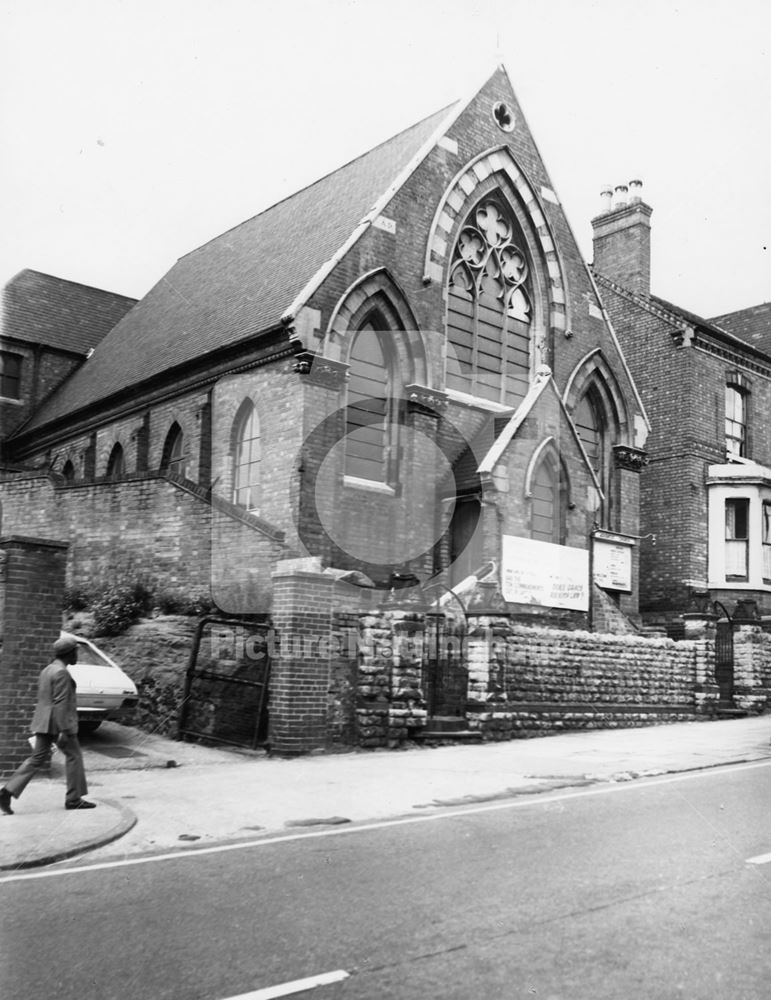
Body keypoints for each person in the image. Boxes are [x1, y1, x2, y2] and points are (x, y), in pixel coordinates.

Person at [0, 635, 95, 814]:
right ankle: (74, 799)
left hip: (43, 722)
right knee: (74, 756)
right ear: (69, 653)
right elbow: (60, 703)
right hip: (57, 723)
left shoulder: (48, 669)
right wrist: (65, 730)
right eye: (75, 652)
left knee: (36, 759)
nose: (77, 656)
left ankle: (7, 792)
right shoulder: (61, 673)